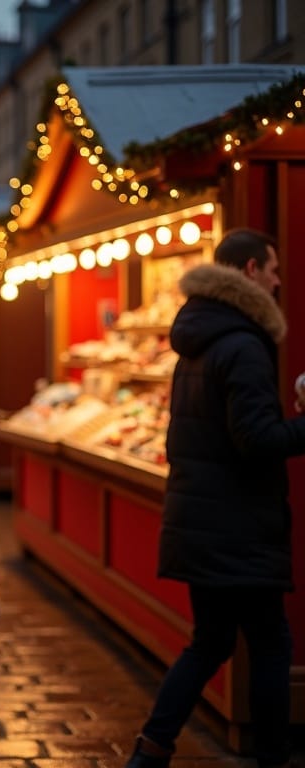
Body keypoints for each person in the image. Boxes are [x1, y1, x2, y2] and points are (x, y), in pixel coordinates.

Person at [125, 228, 305, 768]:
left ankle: (151, 748)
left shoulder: (199, 339)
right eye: (273, 269)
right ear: (250, 271)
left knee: (211, 641)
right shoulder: (244, 345)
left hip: (204, 522)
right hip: (239, 526)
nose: (278, 281)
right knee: (268, 642)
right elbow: (258, 440)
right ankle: (272, 756)